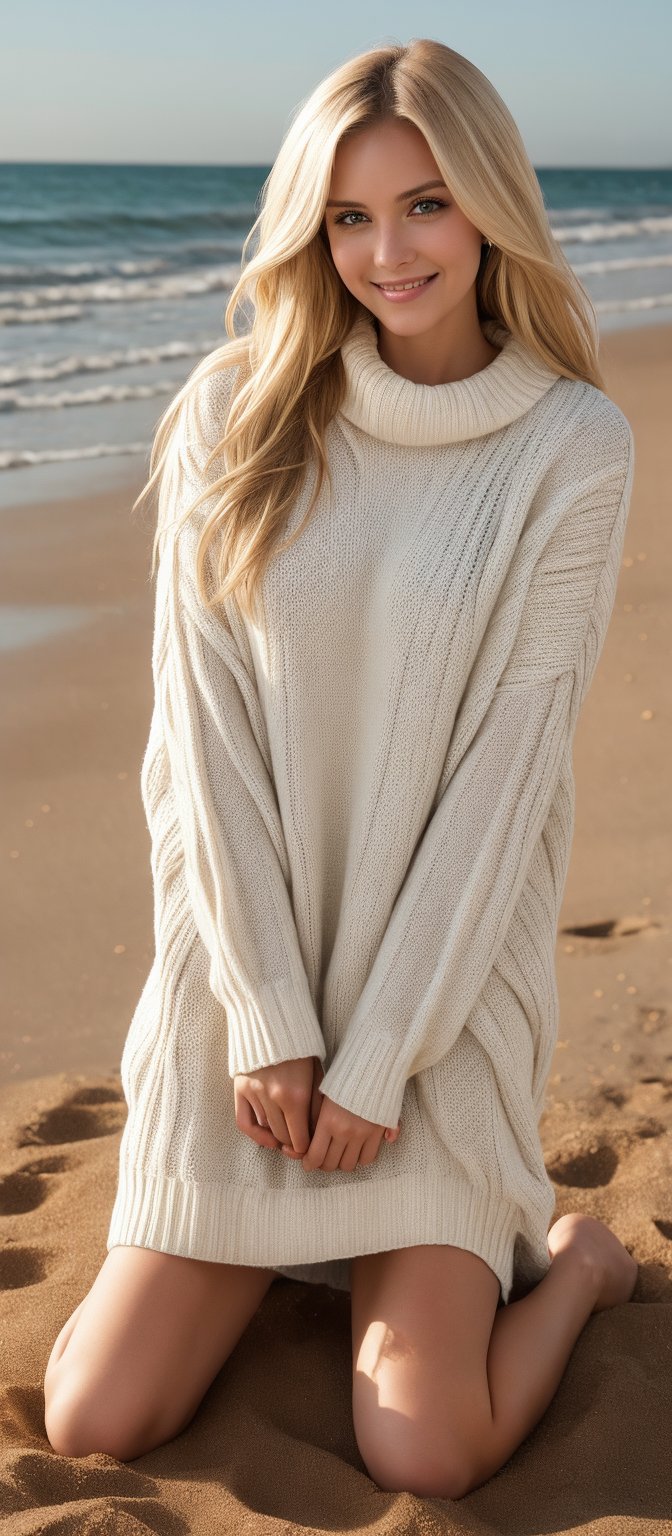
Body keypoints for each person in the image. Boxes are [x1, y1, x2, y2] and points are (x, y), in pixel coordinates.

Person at [43, 37, 638, 1498]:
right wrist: (268, 1025)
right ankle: (301, 1255)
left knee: (423, 1445)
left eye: (427, 204)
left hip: (430, 1016)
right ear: (312, 226)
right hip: (249, 1007)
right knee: (95, 1419)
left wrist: (377, 1057)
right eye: (350, 216)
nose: (389, 252)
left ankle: (579, 1269)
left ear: (492, 203)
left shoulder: (573, 447)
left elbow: (506, 778)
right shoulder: (232, 415)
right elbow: (200, 747)